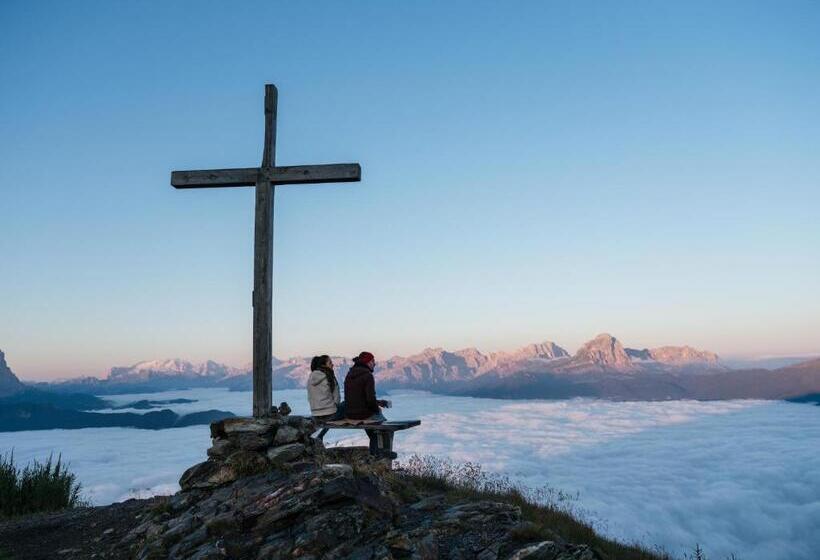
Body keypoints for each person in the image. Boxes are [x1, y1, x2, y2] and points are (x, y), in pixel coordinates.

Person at [344, 351, 389, 455]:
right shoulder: (368, 376)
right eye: (373, 361)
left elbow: (358, 397)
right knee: (382, 426)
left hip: (349, 413)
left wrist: (378, 403)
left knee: (372, 426)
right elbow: (370, 399)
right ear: (367, 362)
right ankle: (380, 453)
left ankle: (376, 452)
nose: (375, 364)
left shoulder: (349, 374)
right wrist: (377, 409)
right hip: (362, 414)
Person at [307, 355, 344, 420]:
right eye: (330, 363)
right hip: (331, 414)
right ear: (323, 365)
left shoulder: (310, 379)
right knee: (347, 404)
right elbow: (337, 399)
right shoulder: (329, 376)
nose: (332, 365)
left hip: (315, 415)